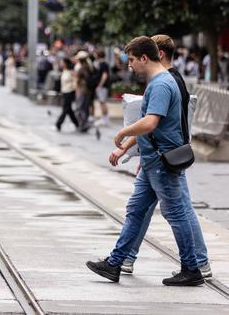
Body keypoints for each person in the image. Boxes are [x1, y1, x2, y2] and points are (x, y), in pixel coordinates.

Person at [86, 36, 203, 286]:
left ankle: (192, 268)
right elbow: (149, 129)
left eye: (131, 60)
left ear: (144, 58)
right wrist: (127, 147)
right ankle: (115, 263)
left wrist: (122, 133)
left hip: (161, 163)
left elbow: (150, 123)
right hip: (153, 162)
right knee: (136, 211)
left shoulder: (161, 84)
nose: (129, 66)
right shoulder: (159, 82)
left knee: (176, 214)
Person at [55, 58, 78, 131]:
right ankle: (77, 123)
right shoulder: (64, 71)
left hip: (70, 92)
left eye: (63, 62)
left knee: (66, 108)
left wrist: (74, 90)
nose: (61, 64)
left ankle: (58, 123)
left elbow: (75, 82)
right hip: (64, 91)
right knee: (69, 109)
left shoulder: (71, 72)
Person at [74, 51, 93, 132]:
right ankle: (85, 123)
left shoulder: (81, 68)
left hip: (81, 89)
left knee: (79, 108)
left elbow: (78, 79)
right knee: (85, 108)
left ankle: (83, 124)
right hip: (88, 90)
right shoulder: (89, 66)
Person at [94, 50, 110, 125]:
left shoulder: (103, 64)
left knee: (102, 101)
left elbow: (104, 75)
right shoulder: (101, 64)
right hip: (102, 86)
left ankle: (105, 118)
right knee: (102, 101)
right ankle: (104, 117)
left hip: (103, 86)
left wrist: (100, 84)